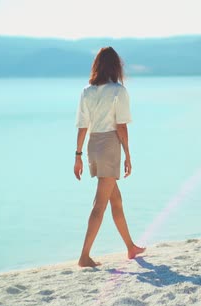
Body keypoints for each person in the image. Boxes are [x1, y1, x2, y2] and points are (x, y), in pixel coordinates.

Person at [73, 47, 145, 267]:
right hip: (110, 145)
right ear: (116, 66)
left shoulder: (86, 91)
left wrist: (78, 155)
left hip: (93, 145)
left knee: (116, 200)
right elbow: (121, 126)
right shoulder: (118, 91)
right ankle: (84, 256)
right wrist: (128, 155)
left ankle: (130, 247)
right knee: (99, 204)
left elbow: (82, 126)